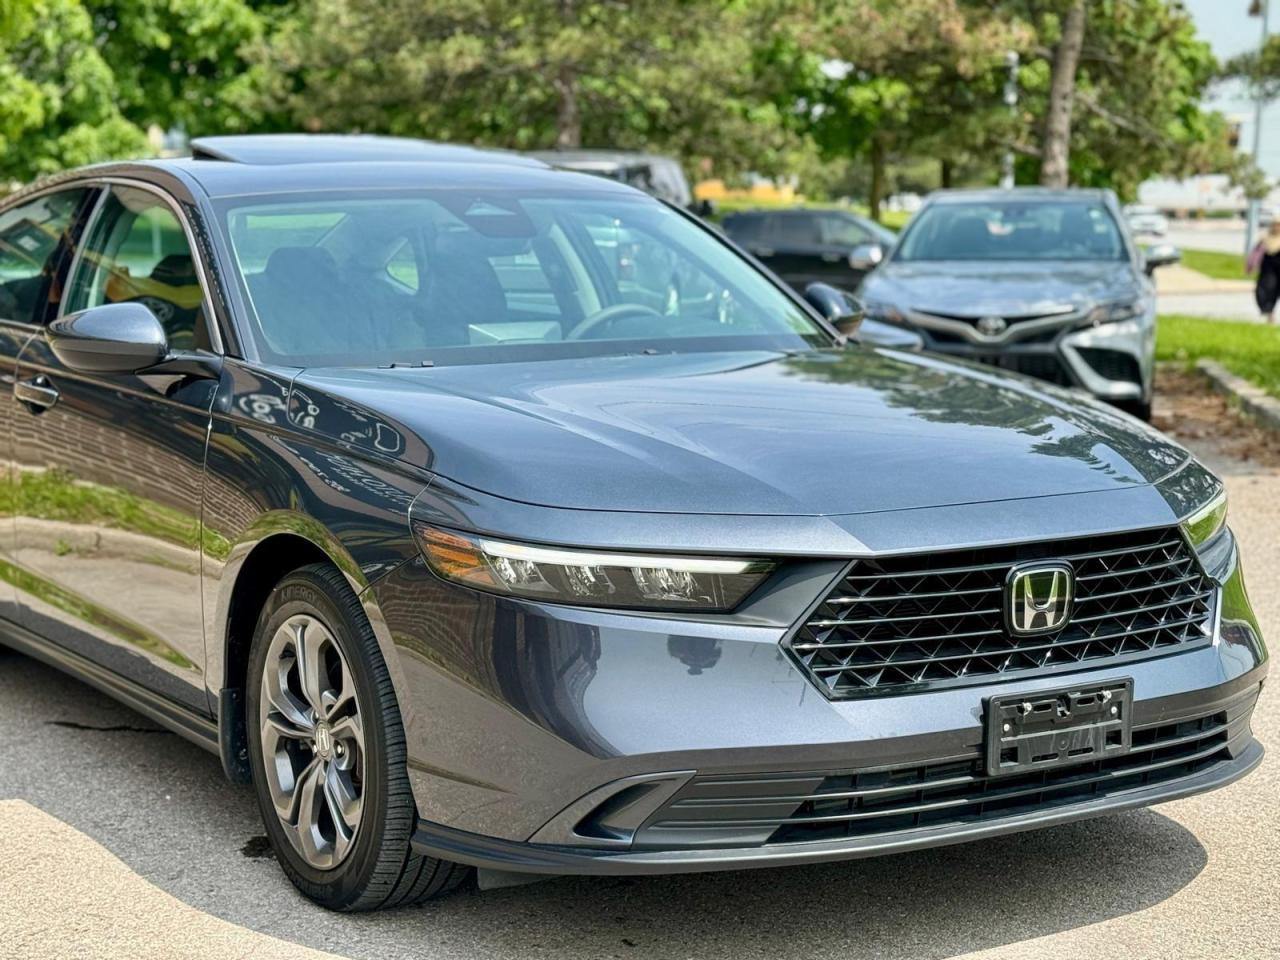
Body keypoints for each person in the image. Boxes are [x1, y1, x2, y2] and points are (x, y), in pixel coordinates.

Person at [1246, 220, 1280, 323]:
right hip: (1268, 271)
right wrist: (1250, 266)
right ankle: (1268, 311)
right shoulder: (1265, 238)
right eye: (1275, 225)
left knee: (1275, 291)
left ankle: (1270, 313)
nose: (1276, 227)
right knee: (1263, 290)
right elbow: (1256, 253)